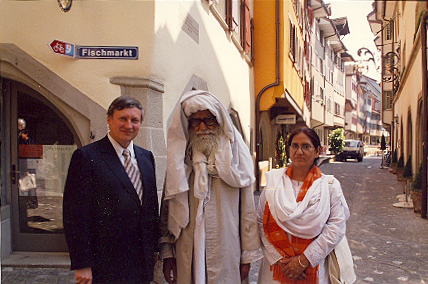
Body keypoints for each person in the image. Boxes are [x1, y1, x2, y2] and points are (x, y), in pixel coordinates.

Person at [159, 90, 261, 284]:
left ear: (219, 121)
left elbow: (247, 211)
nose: (202, 127)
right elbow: (168, 206)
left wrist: (247, 257)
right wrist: (167, 252)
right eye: (195, 121)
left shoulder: (236, 159)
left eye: (208, 120)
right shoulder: (180, 160)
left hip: (227, 248)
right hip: (187, 247)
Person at [63, 96, 159, 284]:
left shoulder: (146, 158)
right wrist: (82, 263)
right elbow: (75, 214)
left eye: (135, 120)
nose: (128, 125)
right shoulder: (87, 157)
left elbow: (150, 208)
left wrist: (154, 249)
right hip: (105, 264)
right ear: (109, 119)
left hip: (141, 263)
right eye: (122, 119)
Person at [257, 127, 355, 284]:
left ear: (317, 151)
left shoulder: (329, 186)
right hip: (276, 270)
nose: (299, 151)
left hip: (315, 269)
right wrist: (282, 262)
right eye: (295, 146)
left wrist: (303, 261)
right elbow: (261, 224)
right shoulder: (274, 183)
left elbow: (336, 227)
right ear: (289, 150)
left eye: (306, 146)